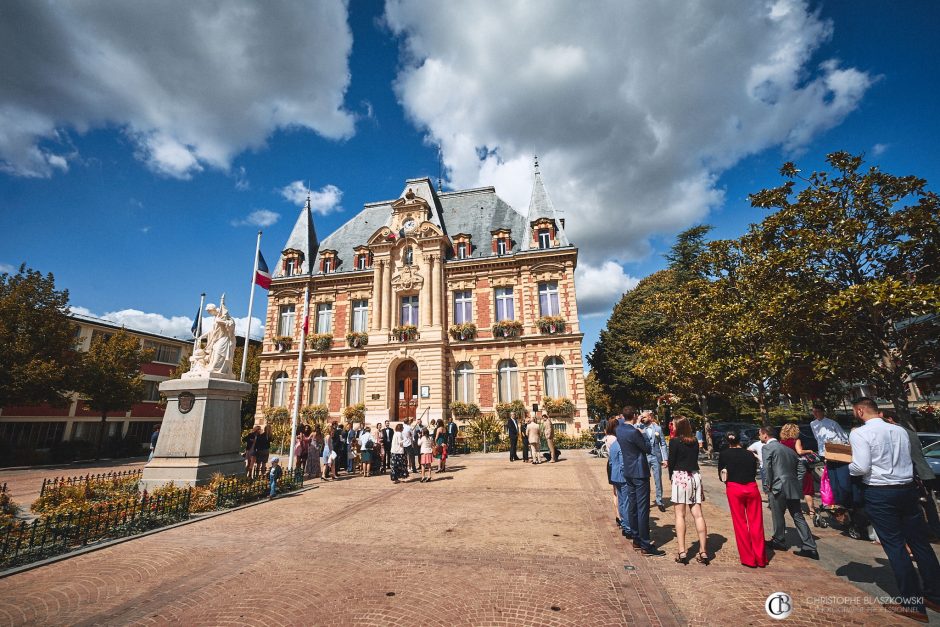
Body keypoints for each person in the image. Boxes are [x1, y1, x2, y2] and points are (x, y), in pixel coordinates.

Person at [849, 397, 940, 621]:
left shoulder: (860, 433)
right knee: (920, 544)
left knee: (895, 546)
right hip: (907, 489)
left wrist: (847, 467)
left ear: (860, 411)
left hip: (880, 491)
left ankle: (912, 603)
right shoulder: (899, 430)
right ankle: (935, 596)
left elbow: (861, 466)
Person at [761, 426, 818, 559]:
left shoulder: (768, 448)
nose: (759, 436)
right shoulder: (789, 450)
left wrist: (766, 486)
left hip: (777, 486)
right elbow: (801, 469)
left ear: (765, 435)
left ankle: (779, 540)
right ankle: (810, 546)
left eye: (760, 434)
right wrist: (795, 482)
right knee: (798, 515)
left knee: (778, 514)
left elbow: (766, 469)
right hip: (791, 486)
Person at [616, 406, 664, 556]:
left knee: (632, 505)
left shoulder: (620, 429)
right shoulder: (634, 432)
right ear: (635, 416)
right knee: (642, 508)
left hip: (628, 471)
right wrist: (643, 434)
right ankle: (645, 544)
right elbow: (647, 448)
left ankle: (636, 538)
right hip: (639, 472)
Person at [884, 415, 940, 538]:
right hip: (922, 471)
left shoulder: (898, 433)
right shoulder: (908, 431)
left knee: (919, 505)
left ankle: (927, 532)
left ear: (889, 419)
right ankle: (934, 530)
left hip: (915, 473)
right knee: (928, 504)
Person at [718, 432, 766, 568]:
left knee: (740, 524)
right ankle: (760, 558)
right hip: (751, 487)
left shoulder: (724, 454)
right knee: (756, 523)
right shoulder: (750, 454)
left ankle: (748, 558)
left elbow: (721, 475)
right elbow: (753, 471)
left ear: (728, 442)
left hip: (734, 487)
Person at [668, 416, 708, 563]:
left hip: (680, 475)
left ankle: (682, 551)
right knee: (698, 514)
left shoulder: (674, 441)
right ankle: (703, 551)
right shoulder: (694, 441)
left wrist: (670, 476)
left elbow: (672, 461)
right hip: (694, 475)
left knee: (680, 515)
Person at [809, 404, 852, 507]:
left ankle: (843, 497)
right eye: (814, 412)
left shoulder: (832, 423)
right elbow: (817, 437)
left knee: (839, 473)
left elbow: (843, 436)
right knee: (829, 474)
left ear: (822, 412)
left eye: (817, 411)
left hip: (835, 452)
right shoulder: (813, 424)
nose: (815, 414)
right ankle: (835, 495)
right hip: (823, 452)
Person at [779, 423, 817, 521]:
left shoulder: (781, 442)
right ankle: (812, 511)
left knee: (792, 490)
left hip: (788, 469)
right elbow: (799, 451)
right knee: (807, 489)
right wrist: (809, 451)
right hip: (799, 467)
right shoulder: (796, 441)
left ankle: (796, 509)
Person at [639, 411, 668, 512]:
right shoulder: (640, 428)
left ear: (650, 417)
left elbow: (663, 444)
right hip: (644, 457)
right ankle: (645, 502)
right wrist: (639, 421)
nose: (643, 419)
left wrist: (665, 458)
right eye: (641, 417)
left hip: (656, 457)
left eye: (644, 417)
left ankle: (659, 501)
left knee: (658, 480)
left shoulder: (658, 429)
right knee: (644, 480)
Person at [608, 434, 632, 540]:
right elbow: (623, 463)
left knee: (622, 502)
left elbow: (611, 462)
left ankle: (623, 523)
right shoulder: (620, 445)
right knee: (625, 502)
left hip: (615, 475)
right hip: (622, 476)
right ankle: (627, 528)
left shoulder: (613, 444)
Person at [603, 418, 624, 528]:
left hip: (610, 464)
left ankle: (618, 516)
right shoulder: (615, 439)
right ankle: (620, 516)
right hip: (615, 464)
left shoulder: (607, 437)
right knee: (619, 492)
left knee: (615, 492)